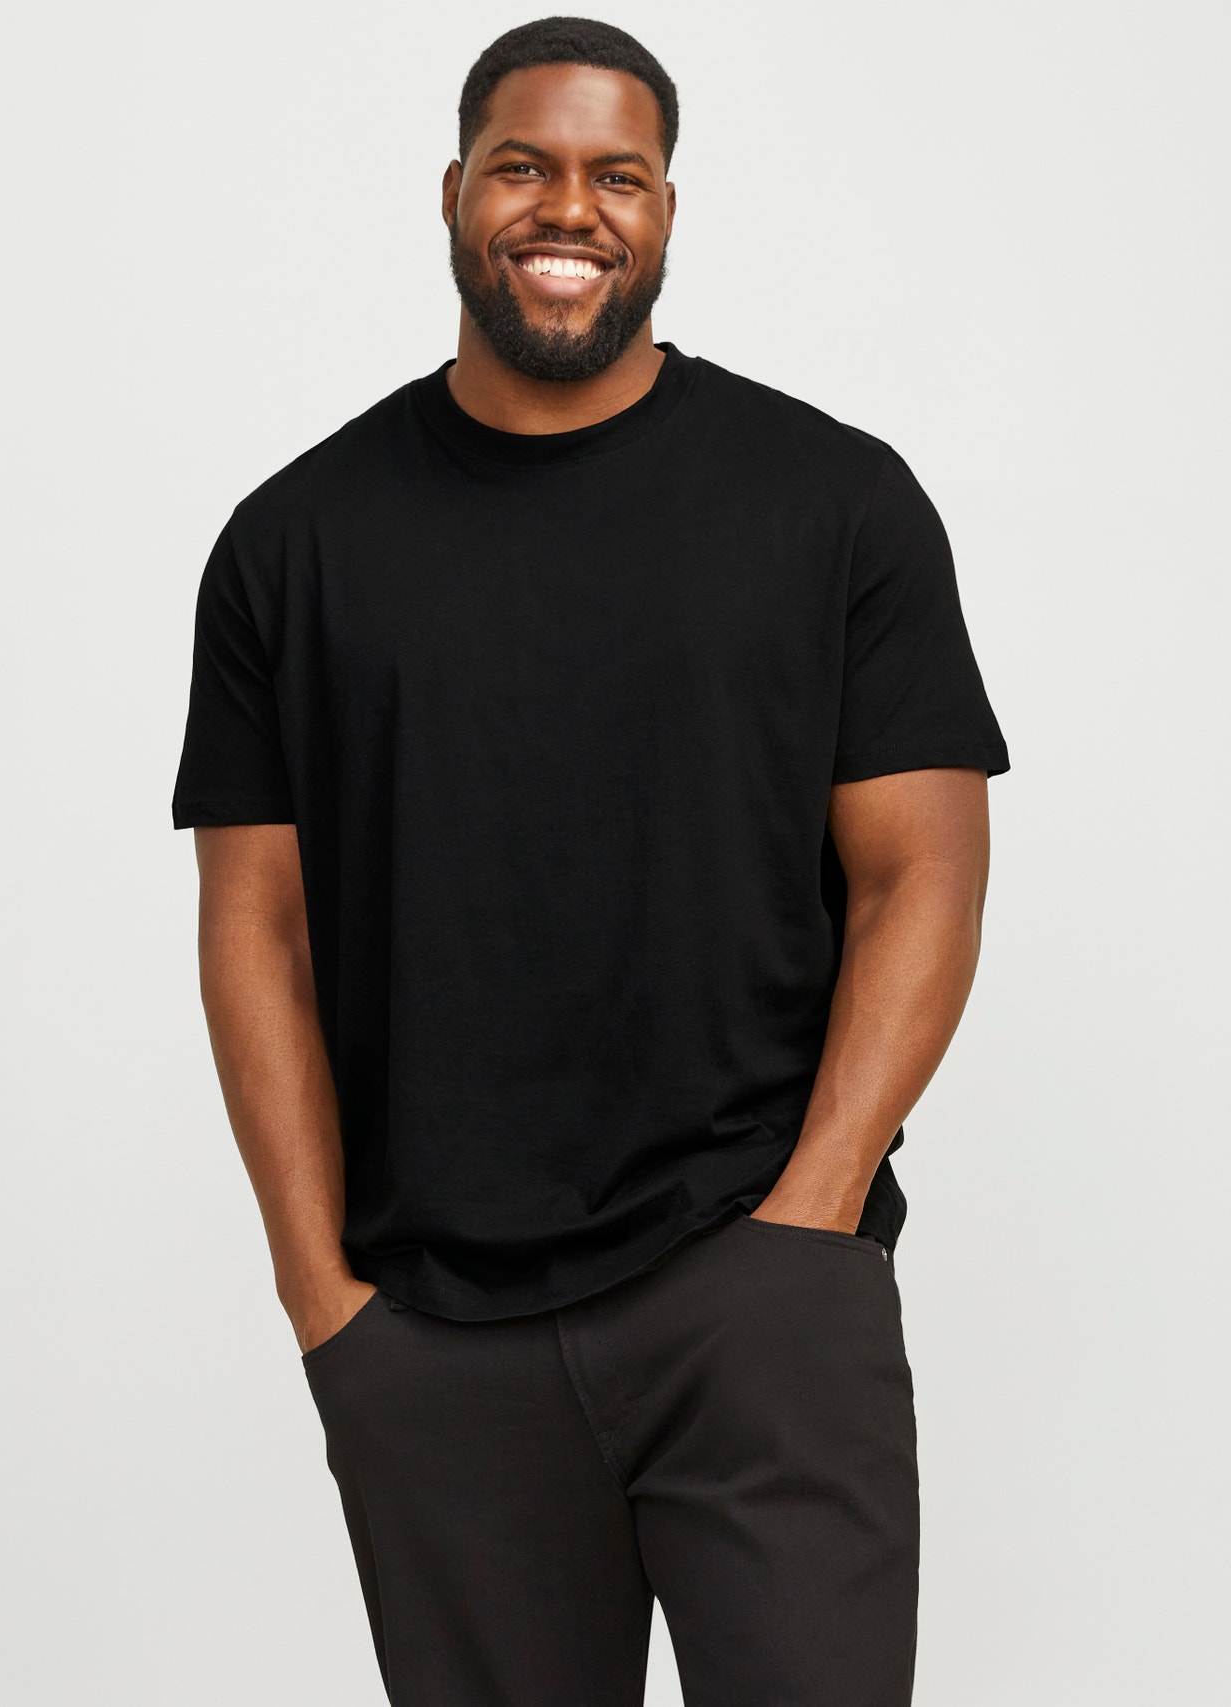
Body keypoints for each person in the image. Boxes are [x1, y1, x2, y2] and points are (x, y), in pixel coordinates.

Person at [171, 16, 1010, 1705]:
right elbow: (256, 926)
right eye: (524, 167)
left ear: (667, 209)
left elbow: (923, 873)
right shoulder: (294, 543)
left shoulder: (834, 503)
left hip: (755, 1293)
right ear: (454, 193)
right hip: (433, 1335)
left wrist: (810, 1222)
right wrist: (322, 1297)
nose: (570, 209)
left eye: (616, 175)